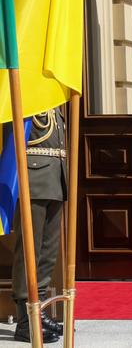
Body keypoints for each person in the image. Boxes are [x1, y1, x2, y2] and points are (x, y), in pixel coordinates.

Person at [11, 107, 66, 343]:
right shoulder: (24, 96)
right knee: (29, 252)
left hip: (56, 178)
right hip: (33, 179)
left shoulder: (53, 105)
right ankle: (25, 320)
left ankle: (38, 310)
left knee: (48, 252)